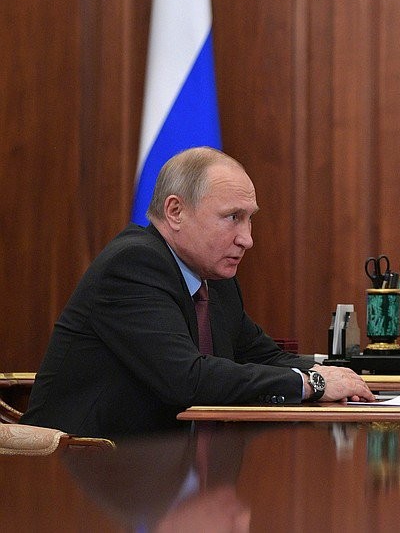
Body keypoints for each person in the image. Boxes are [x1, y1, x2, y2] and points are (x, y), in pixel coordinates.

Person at [22, 147, 373, 437]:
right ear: (175, 211)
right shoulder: (133, 265)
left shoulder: (215, 279)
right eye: (232, 217)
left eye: (249, 218)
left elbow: (263, 357)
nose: (247, 239)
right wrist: (313, 384)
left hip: (163, 474)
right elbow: (186, 379)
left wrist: (343, 374)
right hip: (83, 472)